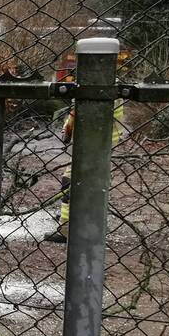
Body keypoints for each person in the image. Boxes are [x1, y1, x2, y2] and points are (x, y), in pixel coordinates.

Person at [44, 96, 126, 244]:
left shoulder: (93, 84)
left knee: (70, 181)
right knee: (90, 184)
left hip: (92, 142)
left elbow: (80, 110)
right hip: (101, 142)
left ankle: (67, 229)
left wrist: (68, 128)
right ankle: (81, 223)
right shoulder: (111, 84)